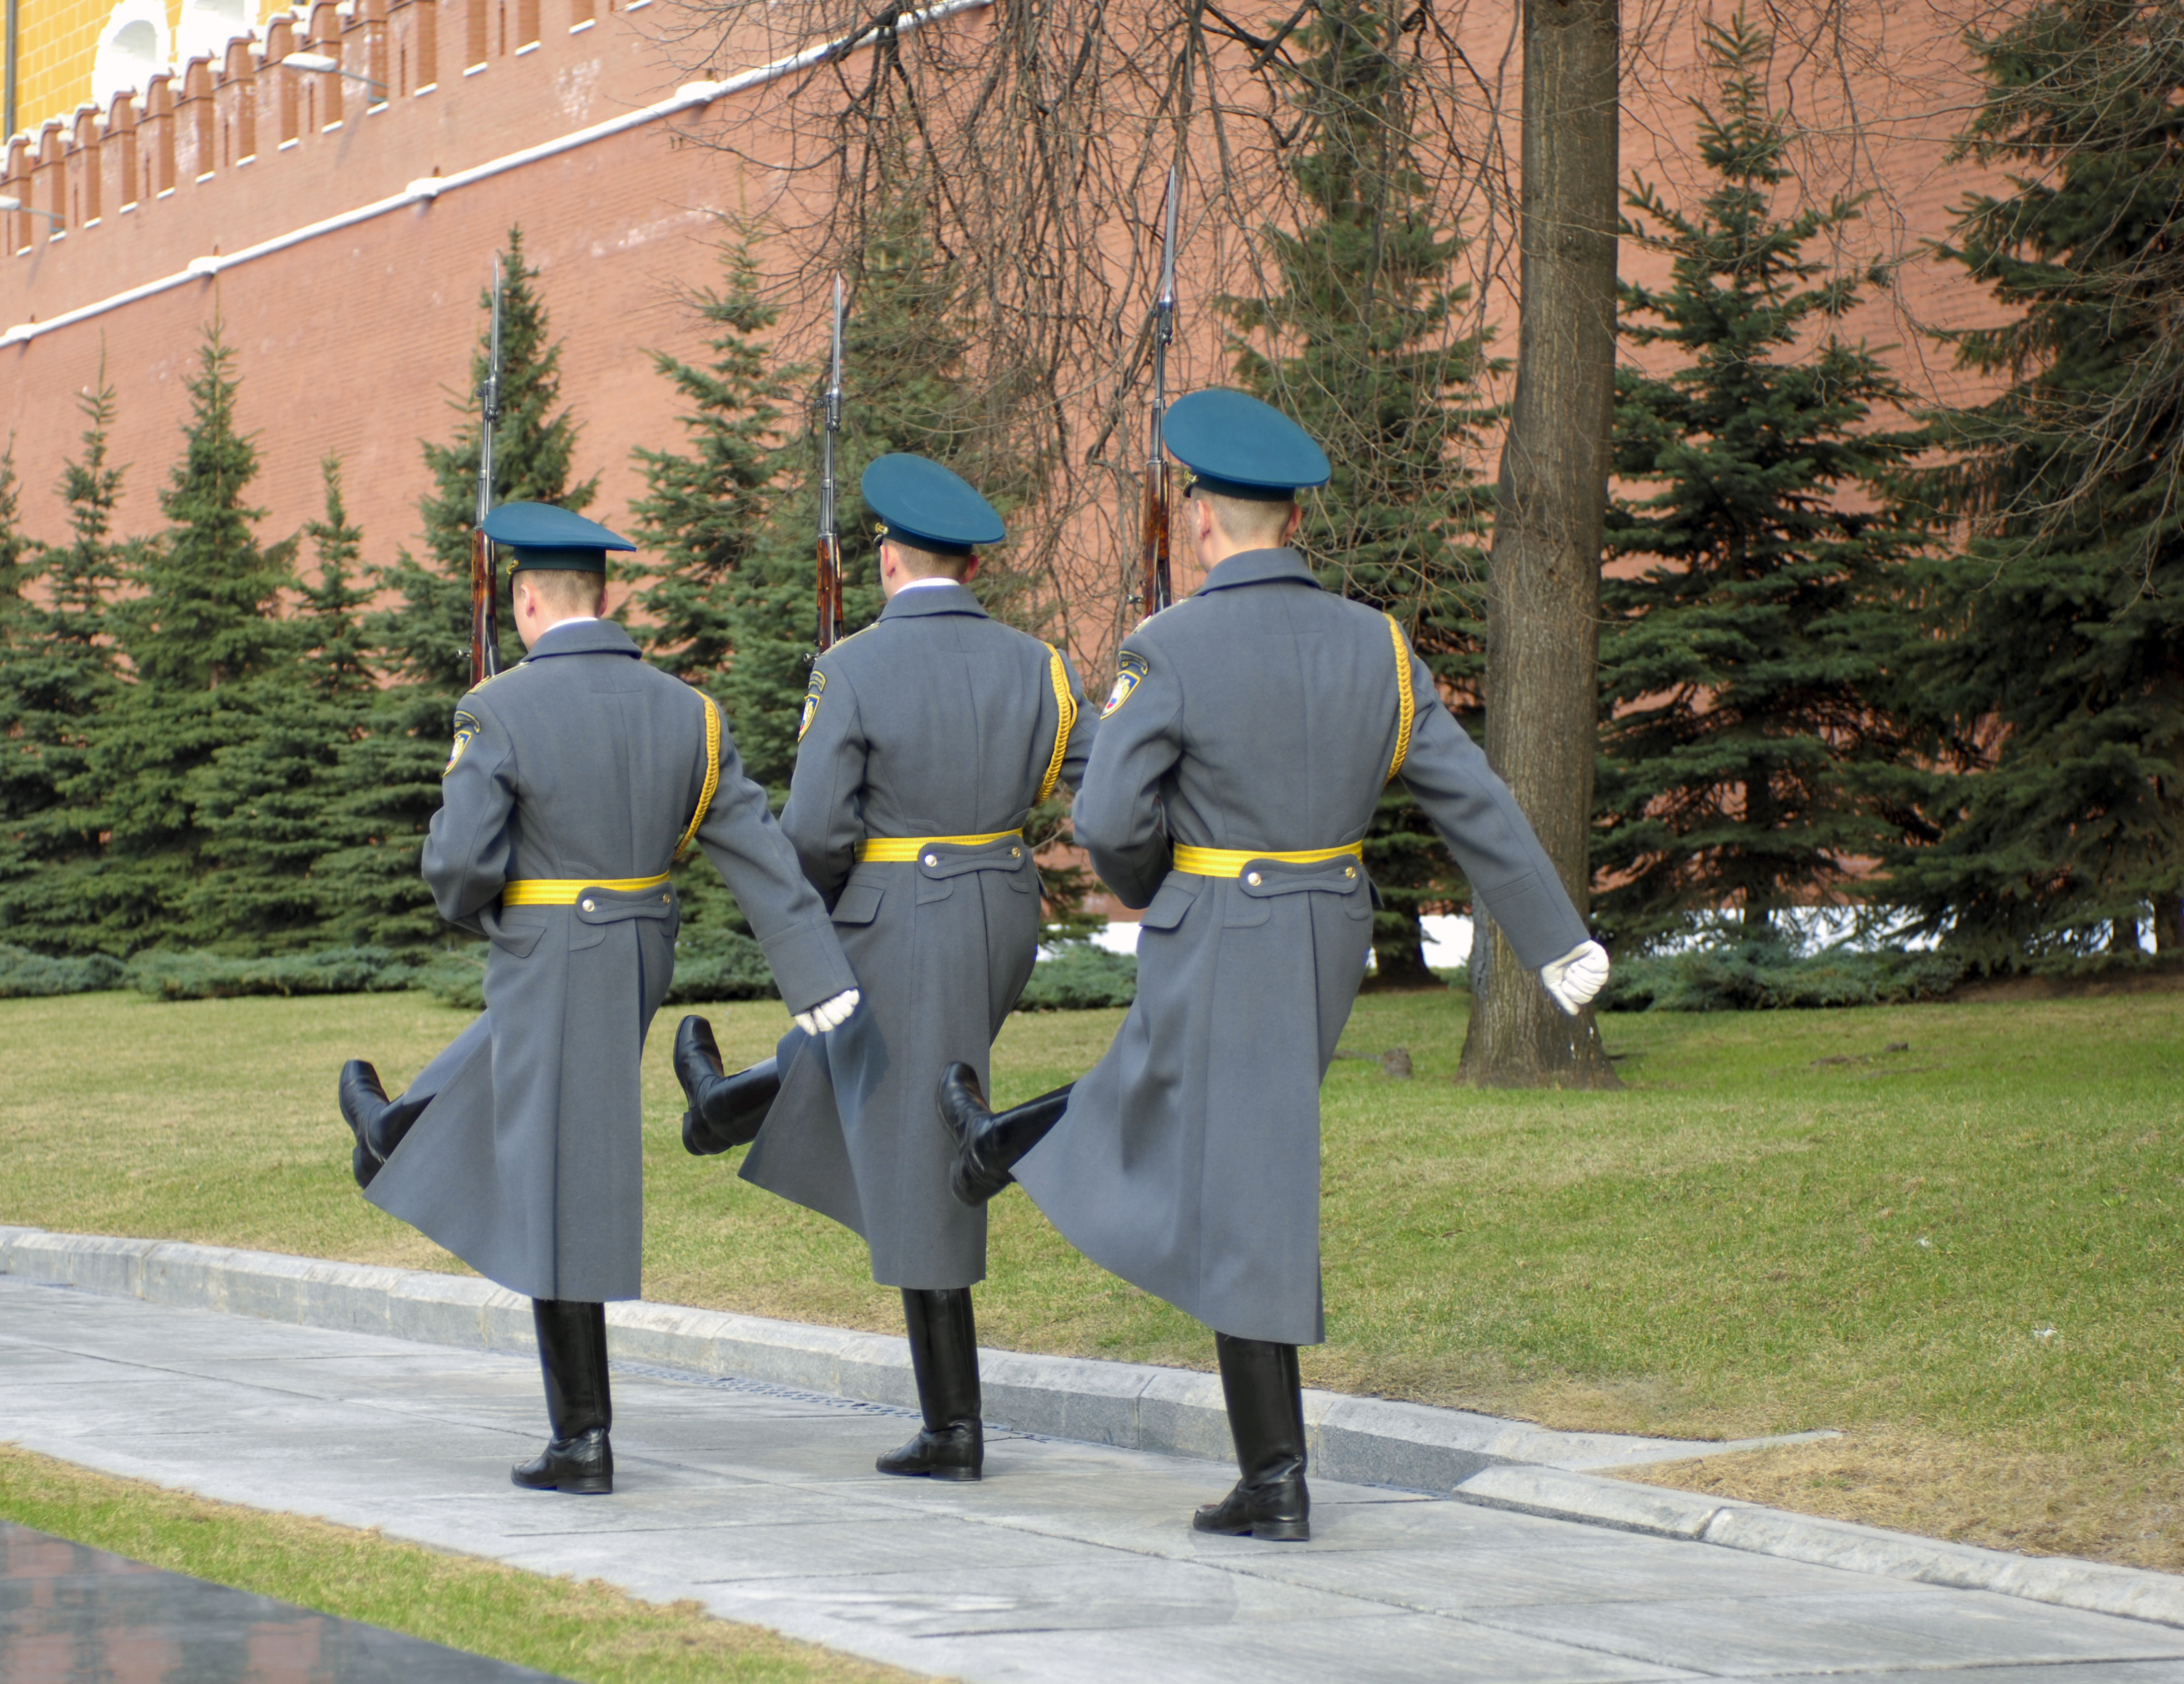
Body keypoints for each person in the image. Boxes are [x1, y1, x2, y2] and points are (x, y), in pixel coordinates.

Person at [936, 389, 1612, 1542]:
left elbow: (1106, 818)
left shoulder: (1171, 645)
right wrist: (1559, 940)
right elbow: (1473, 800)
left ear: (1204, 519)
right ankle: (1007, 1145)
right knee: (1198, 1123)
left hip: (1225, 922)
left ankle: (1276, 1478)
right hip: (1329, 926)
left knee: (1242, 1181)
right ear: (1293, 521)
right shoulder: (1377, 645)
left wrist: (1156, 891)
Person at [339, 502, 861, 1496]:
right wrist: (817, 980)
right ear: (605, 597)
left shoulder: (500, 708)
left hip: (550, 949)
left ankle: (582, 1441)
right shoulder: (689, 712)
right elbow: (759, 854)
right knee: (529, 1116)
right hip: (636, 947)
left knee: (556, 1178)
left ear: (527, 602)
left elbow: (457, 870)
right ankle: (392, 1128)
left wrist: (492, 908)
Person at [670, 455, 1095, 1484]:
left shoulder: (852, 666)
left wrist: (811, 909)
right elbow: (1095, 789)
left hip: (904, 906)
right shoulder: (1036, 663)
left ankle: (953, 1431)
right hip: (1001, 907)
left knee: (918, 1143)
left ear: (890, 557)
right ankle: (724, 1103)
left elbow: (815, 827)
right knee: (890, 1084)